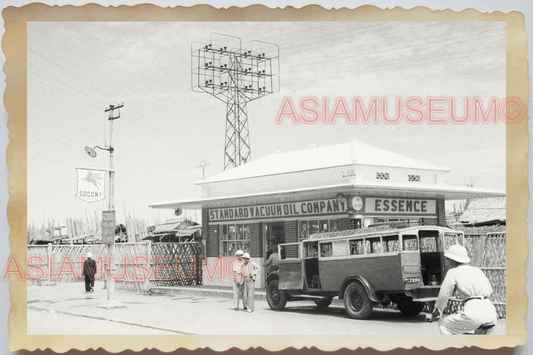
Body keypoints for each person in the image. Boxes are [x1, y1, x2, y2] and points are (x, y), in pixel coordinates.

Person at [427, 244, 497, 335]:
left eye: (448, 259)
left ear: (452, 260)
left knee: (443, 324)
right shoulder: (477, 270)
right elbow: (489, 291)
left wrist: (435, 313)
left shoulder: (453, 272)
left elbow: (443, 295)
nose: (447, 261)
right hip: (490, 312)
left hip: (473, 312)